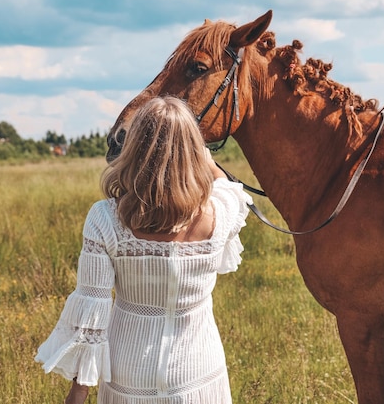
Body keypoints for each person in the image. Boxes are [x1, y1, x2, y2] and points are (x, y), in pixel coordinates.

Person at [35, 96, 252, 404]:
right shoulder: (217, 215)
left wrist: (79, 392)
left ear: (135, 147)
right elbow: (234, 193)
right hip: (197, 373)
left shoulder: (105, 219)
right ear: (192, 150)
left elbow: (91, 315)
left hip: (128, 375)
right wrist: (208, 162)